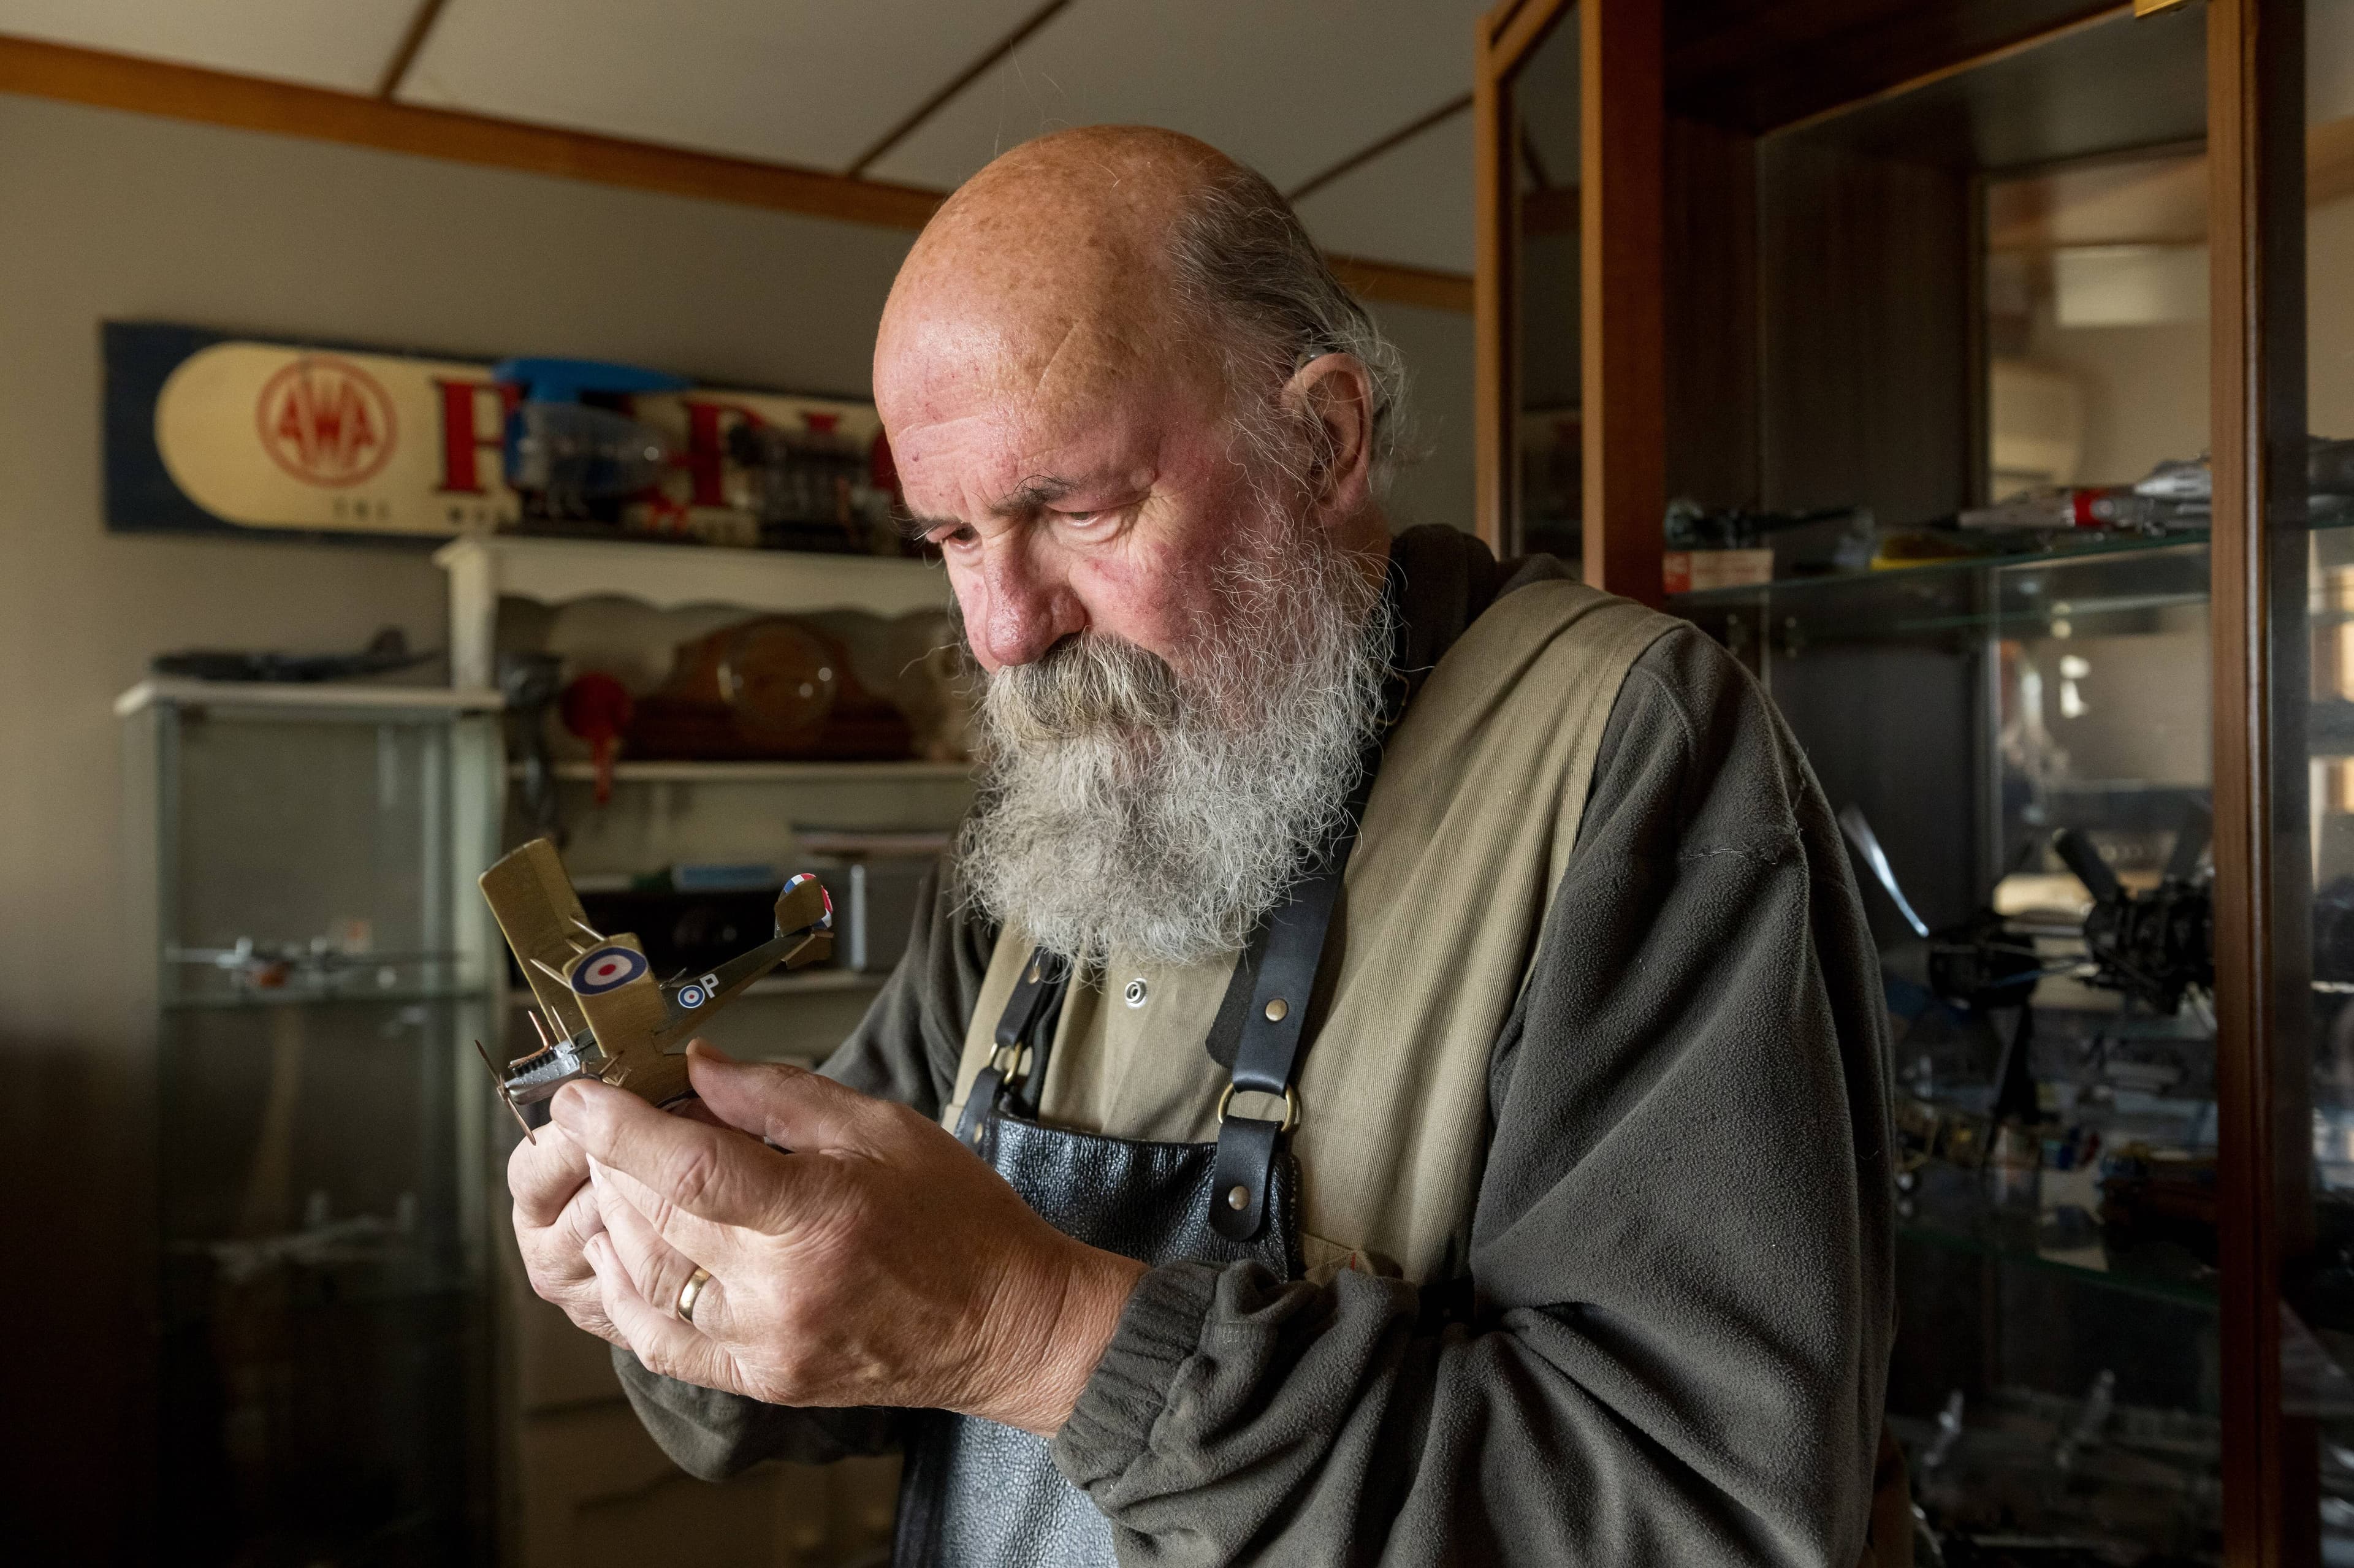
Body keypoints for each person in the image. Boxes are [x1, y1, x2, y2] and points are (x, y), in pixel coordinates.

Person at [508, 125, 1897, 1567]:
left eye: (1075, 509)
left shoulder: (1627, 755)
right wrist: (674, 1274)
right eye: (953, 538)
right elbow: (845, 1316)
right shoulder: (1054, 797)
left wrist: (1026, 1329)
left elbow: (1701, 1515)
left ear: (1322, 441)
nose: (1002, 630)